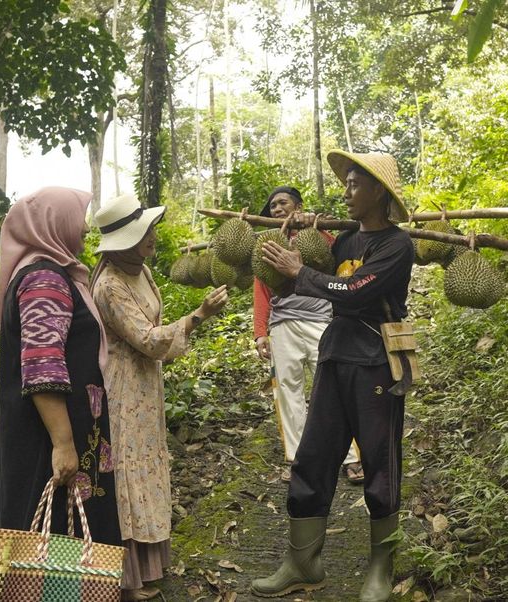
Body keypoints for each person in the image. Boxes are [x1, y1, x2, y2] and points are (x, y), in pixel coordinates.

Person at [250, 151, 413, 602]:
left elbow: (355, 290)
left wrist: (299, 270)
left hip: (376, 363)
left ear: (379, 191)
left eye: (356, 184)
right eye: (347, 184)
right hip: (335, 356)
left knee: (380, 463)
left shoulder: (397, 246)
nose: (346, 191)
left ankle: (381, 566)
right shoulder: (343, 241)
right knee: (312, 458)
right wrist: (300, 244)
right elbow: (314, 280)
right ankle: (304, 562)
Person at [91, 194, 229, 602]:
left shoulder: (142, 271)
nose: (153, 236)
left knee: (148, 465)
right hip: (123, 386)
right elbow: (148, 340)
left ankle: (149, 565)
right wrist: (198, 316)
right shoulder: (110, 286)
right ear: (124, 242)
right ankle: (126, 579)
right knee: (129, 472)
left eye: (150, 228)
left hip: (146, 386)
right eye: (144, 231)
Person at [0, 186, 121, 548]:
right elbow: (42, 366)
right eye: (78, 218)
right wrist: (63, 444)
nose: (84, 228)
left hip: (61, 430)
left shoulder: (50, 275)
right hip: (49, 436)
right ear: (55, 222)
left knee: (57, 540)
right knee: (52, 541)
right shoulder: (44, 279)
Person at [254, 186, 364, 485]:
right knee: (288, 392)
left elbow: (334, 260)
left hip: (320, 320)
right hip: (283, 325)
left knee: (335, 386)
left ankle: (352, 458)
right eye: (272, 205)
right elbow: (262, 289)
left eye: (282, 203)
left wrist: (317, 226)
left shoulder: (319, 234)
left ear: (298, 205)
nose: (276, 209)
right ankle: (297, 459)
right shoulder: (268, 242)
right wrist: (260, 333)